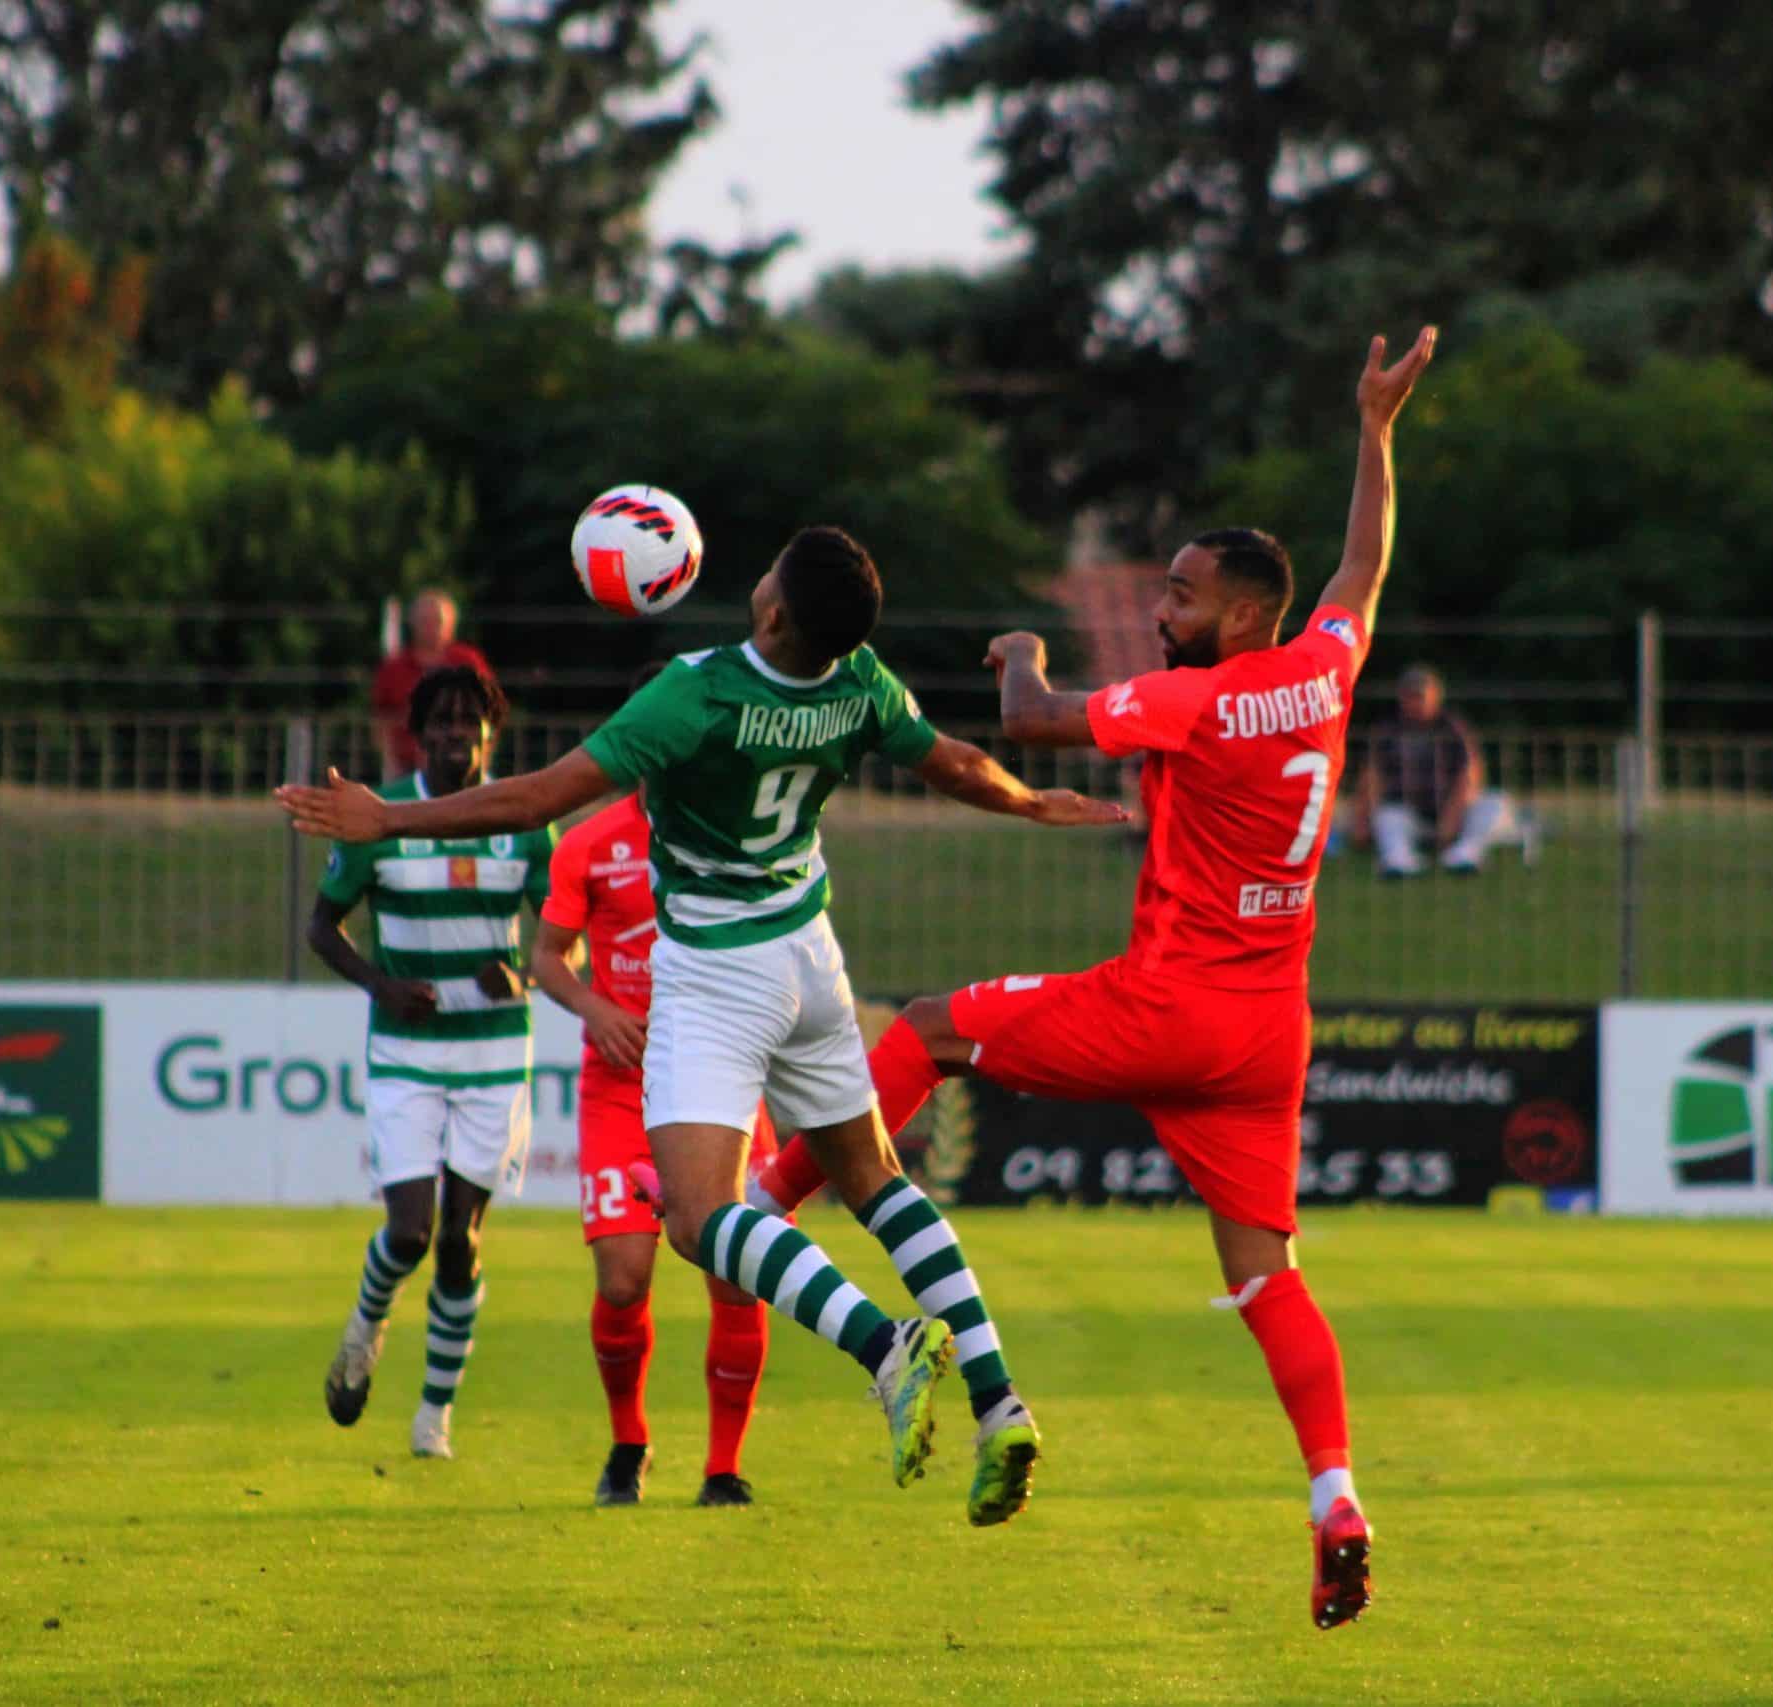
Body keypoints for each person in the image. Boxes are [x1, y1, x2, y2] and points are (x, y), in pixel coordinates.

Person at [743, 327, 1438, 1629]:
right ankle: (1335, 1495)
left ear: (1241, 615)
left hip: (1166, 1005)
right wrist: (1373, 432)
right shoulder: (1323, 667)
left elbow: (1026, 723)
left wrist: (1022, 653)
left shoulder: (1200, 701)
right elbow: (1365, 563)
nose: (1161, 613)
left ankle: (764, 1211)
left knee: (930, 1028)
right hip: (1266, 1031)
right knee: (1267, 1275)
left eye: (1179, 596)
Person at [278, 525, 1126, 1525]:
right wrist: (1029, 803)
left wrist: (390, 818)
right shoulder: (859, 680)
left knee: (694, 1220)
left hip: (717, 972)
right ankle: (1000, 1401)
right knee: (876, 1181)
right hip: (811, 955)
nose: (757, 573)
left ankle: (884, 1345)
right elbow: (955, 763)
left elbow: (540, 794)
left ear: (773, 610)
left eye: (769, 570)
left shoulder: (697, 691)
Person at [531, 669, 782, 1509]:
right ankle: (628, 1442)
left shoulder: (737, 837)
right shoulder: (588, 842)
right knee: (622, 1280)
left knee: (736, 1273)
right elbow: (546, 957)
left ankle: (723, 1467)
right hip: (620, 1089)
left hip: (721, 1081)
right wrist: (593, 1006)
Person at [307, 665, 555, 1460]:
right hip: (406, 1051)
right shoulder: (380, 818)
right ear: (418, 736)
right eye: (440, 722)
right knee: (411, 1230)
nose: (455, 734)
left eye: (468, 721)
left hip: (495, 1051)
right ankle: (365, 1326)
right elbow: (321, 927)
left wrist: (523, 977)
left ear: (490, 732)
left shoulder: (524, 823)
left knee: (459, 1242)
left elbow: (564, 940)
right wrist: (380, 983)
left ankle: (434, 1415)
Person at [1356, 663, 1536, 876]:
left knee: (1494, 802)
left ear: (1436, 696)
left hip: (1455, 814)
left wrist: (1451, 818)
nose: (1416, 702)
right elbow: (1371, 776)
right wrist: (1362, 818)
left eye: (1421, 696)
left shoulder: (1453, 728)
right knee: (1388, 815)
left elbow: (1470, 775)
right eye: (1410, 696)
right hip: (1412, 814)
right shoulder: (1388, 731)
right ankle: (1400, 861)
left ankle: (1465, 855)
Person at [371, 590, 492, 780]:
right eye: (424, 621)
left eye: (437, 621)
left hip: (461, 766)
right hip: (406, 770)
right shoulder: (394, 667)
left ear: (451, 624)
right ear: (412, 623)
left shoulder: (468, 662)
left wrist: (482, 759)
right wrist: (390, 763)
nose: (431, 628)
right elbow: (381, 719)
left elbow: (490, 712)